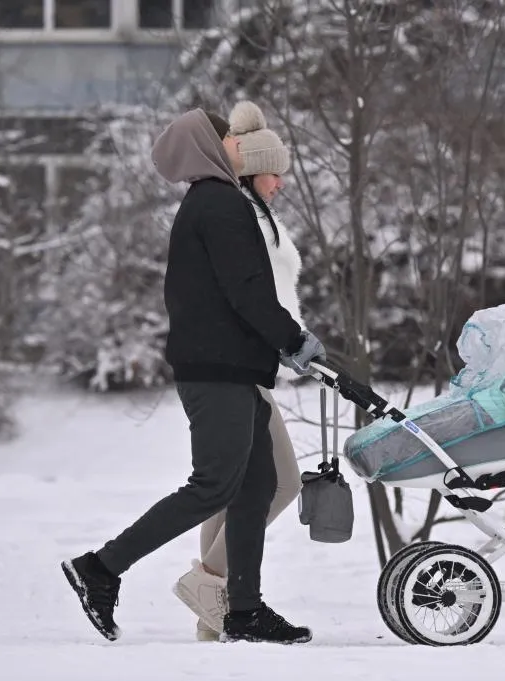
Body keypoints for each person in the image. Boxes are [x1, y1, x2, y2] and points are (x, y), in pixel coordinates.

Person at [60, 105, 326, 645]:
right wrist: (293, 339)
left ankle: (244, 610)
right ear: (210, 148)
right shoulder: (220, 204)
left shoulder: (212, 202)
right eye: (228, 141)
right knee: (214, 485)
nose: (237, 147)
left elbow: (237, 292)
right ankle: (100, 567)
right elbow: (247, 290)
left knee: (257, 486)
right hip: (217, 370)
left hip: (232, 366)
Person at [169, 101, 307, 642]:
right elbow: (246, 294)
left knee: (238, 489)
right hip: (237, 363)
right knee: (276, 482)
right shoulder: (234, 212)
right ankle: (209, 585)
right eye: (274, 172)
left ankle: (216, 608)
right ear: (251, 170)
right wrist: (290, 340)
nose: (280, 183)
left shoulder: (245, 212)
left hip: (250, 360)